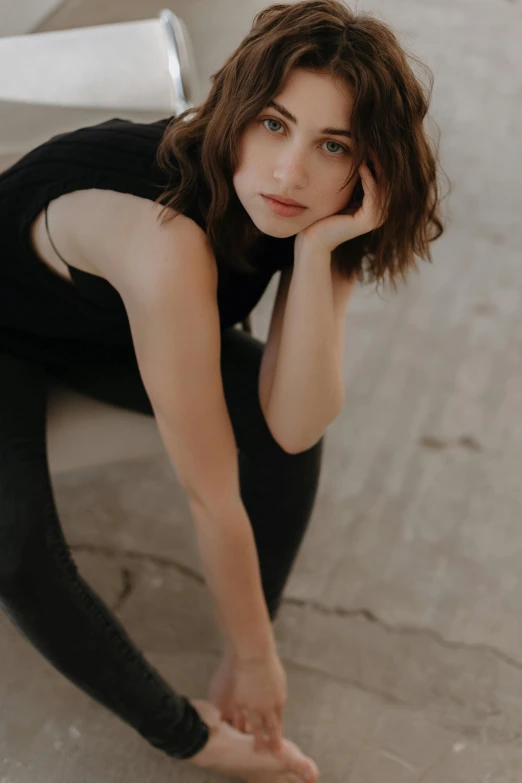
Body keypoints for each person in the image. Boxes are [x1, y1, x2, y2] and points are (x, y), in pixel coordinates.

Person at [0, 0, 445, 780]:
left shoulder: (312, 210)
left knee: (267, 427)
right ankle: (189, 736)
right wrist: (258, 659)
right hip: (7, 320)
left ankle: (248, 640)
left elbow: (295, 424)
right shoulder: (165, 242)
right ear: (237, 109)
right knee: (12, 547)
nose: (289, 172)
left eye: (331, 144)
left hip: (104, 332)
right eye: (274, 123)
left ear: (366, 165)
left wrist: (319, 256)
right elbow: (210, 494)